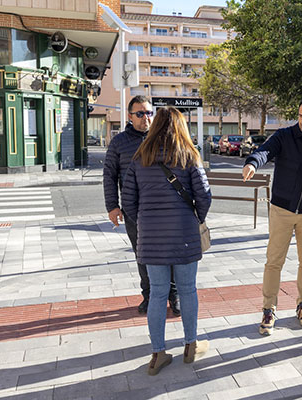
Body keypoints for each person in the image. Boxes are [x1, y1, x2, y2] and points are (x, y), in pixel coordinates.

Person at [121, 106, 212, 375]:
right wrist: (195, 218)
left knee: (158, 294)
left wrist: (145, 223)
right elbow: (204, 195)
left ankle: (158, 353)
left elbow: (128, 199)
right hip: (184, 234)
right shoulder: (188, 155)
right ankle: (190, 346)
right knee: (187, 290)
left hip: (150, 237)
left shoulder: (140, 157)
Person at [242, 98, 302, 336]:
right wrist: (253, 163)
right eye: (300, 116)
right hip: (282, 210)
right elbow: (265, 151)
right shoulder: (284, 136)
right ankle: (268, 309)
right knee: (274, 261)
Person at [104, 96, 180, 316]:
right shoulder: (119, 143)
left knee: (170, 253)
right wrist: (112, 206)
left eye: (148, 113)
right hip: (134, 211)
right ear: (130, 116)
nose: (145, 118)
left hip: (164, 209)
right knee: (142, 254)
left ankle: (173, 296)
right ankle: (148, 295)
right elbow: (109, 175)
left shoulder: (164, 138)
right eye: (140, 114)